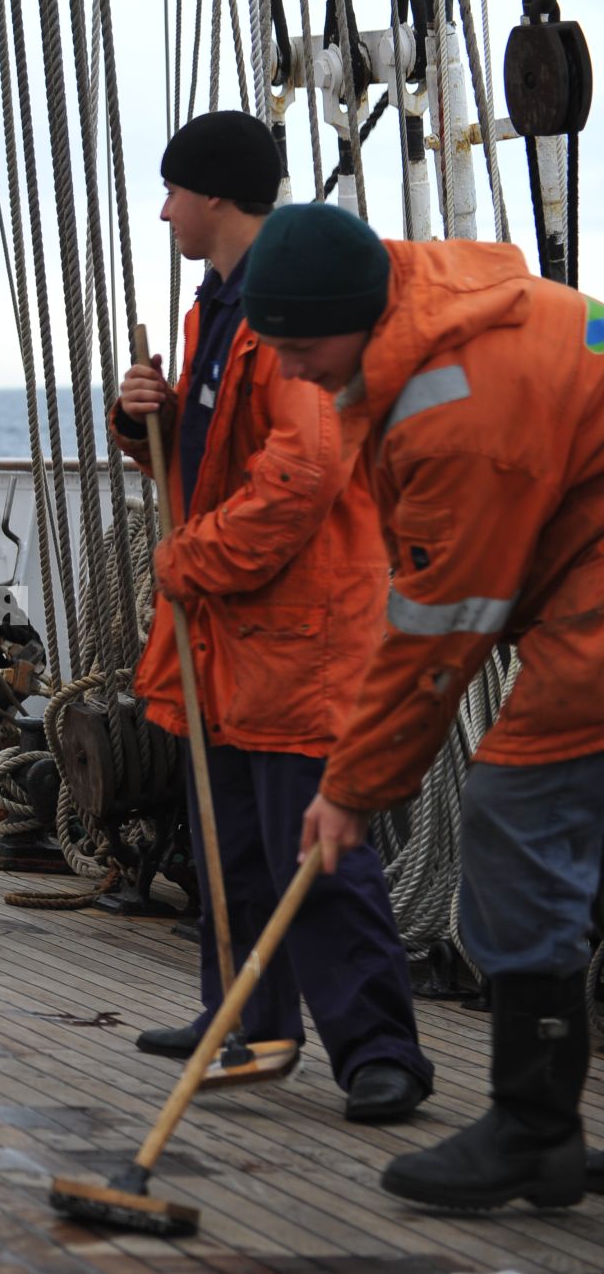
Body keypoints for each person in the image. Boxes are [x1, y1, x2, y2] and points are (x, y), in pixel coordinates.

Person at [239, 202, 604, 1210]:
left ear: (356, 314)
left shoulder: (455, 410)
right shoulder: (431, 302)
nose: (297, 370)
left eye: (305, 347)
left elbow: (442, 630)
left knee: (516, 812)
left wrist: (352, 788)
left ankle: (533, 1130)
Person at [110, 113, 432, 1124]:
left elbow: (304, 473)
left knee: (316, 852)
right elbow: (207, 456)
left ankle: (381, 1052)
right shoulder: (216, 307)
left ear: (212, 196)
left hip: (302, 630)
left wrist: (189, 561)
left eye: (173, 193)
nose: (163, 212)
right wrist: (143, 420)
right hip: (234, 633)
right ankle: (242, 1019)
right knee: (232, 844)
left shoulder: (283, 307)